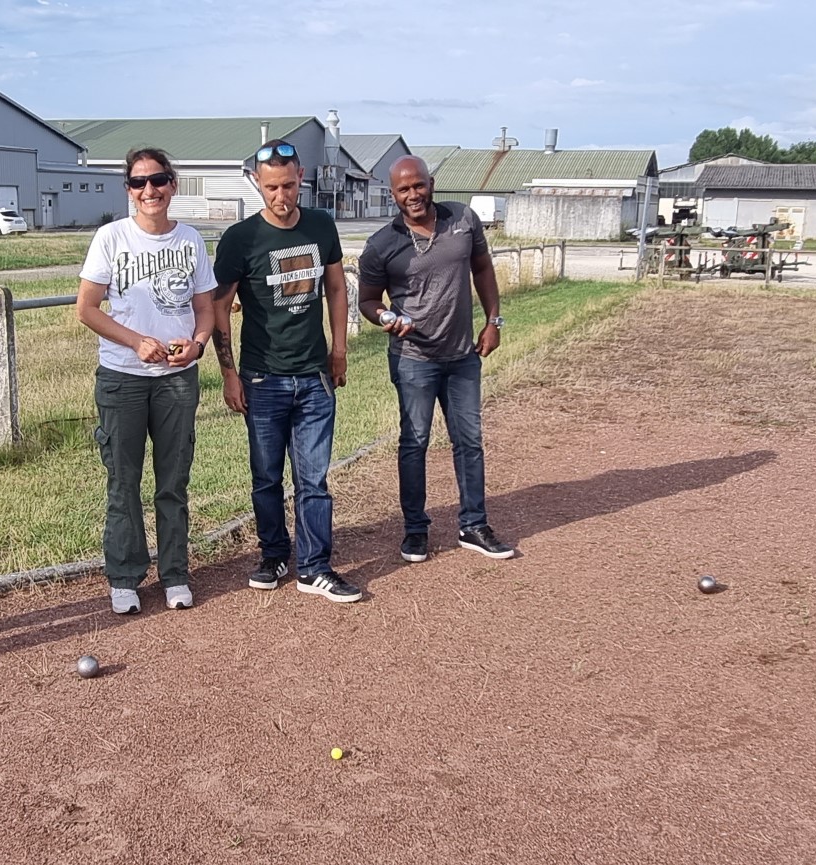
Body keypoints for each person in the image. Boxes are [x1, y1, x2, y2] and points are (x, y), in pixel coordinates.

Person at [211, 140, 361, 603]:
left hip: (314, 377)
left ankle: (314, 566)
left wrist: (339, 349)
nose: (281, 196)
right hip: (262, 378)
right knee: (267, 477)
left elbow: (335, 288)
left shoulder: (321, 225)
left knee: (313, 479)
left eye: (289, 185)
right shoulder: (240, 238)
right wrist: (228, 372)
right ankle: (273, 554)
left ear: (302, 179)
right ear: (258, 184)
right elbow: (219, 306)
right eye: (271, 187)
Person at [75, 148, 217, 615]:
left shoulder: (191, 240)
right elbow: (88, 308)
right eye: (138, 183)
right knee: (124, 481)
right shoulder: (111, 238)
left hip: (177, 379)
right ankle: (124, 575)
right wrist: (137, 342)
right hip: (124, 378)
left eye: (158, 181)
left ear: (172, 185)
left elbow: (204, 307)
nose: (149, 191)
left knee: (173, 481)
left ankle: (175, 573)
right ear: (129, 191)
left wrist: (197, 344)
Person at [356, 154, 517, 564]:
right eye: (403, 189)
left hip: (462, 355)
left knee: (469, 441)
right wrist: (386, 317)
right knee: (415, 442)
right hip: (413, 359)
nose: (413, 195)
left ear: (432, 183)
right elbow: (368, 300)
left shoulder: (462, 220)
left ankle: (474, 525)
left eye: (419, 185)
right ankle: (415, 530)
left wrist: (493, 320)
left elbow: (482, 269)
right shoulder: (381, 245)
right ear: (392, 194)